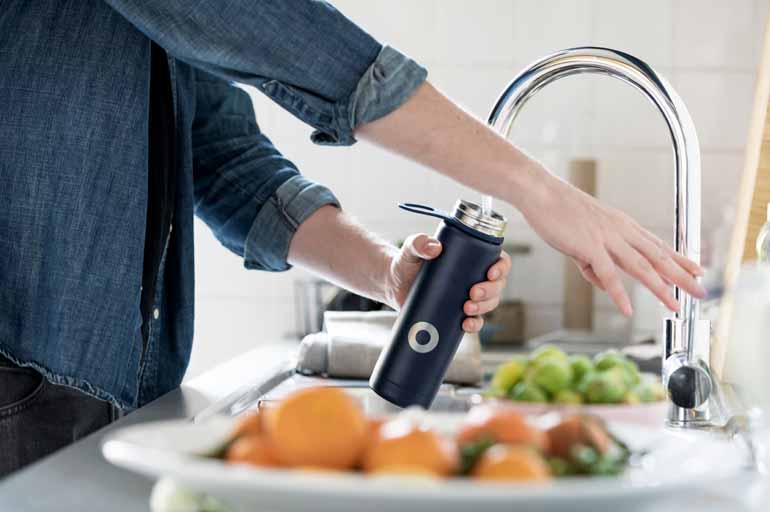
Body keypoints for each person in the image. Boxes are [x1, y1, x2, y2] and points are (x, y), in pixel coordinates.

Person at [0, 1, 705, 477]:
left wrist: (387, 275)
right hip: (18, 392)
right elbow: (299, 44)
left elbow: (224, 163)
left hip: (99, 402)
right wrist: (539, 190)